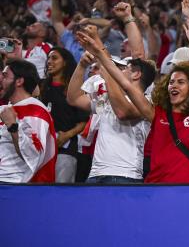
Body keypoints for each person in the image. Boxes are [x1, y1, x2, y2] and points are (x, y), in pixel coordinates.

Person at [76, 25, 189, 184]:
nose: (174, 86)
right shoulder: (157, 114)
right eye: (171, 82)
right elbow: (126, 84)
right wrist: (99, 54)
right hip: (154, 187)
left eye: (180, 82)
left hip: (186, 187)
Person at [67, 47, 156, 184]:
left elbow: (122, 112)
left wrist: (108, 75)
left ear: (136, 74)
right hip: (95, 174)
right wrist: (82, 65)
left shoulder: (147, 102)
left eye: (123, 69)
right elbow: (74, 98)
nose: (117, 73)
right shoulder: (107, 98)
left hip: (125, 175)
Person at [0, 59, 57, 183]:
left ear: (19, 81)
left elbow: (34, 155)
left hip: (16, 184)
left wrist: (13, 126)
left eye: (5, 75)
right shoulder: (4, 109)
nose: (0, 79)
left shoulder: (36, 111)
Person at [40, 47, 88, 183]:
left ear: (65, 62)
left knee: (62, 191)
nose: (49, 61)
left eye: (54, 58)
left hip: (65, 149)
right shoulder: (41, 87)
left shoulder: (73, 91)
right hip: (42, 150)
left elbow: (83, 122)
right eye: (48, 58)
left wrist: (66, 135)